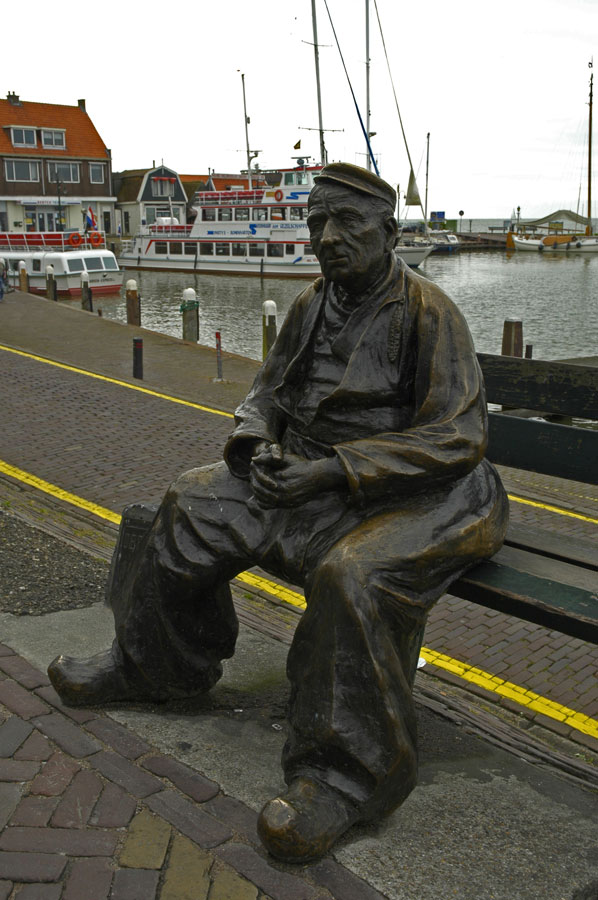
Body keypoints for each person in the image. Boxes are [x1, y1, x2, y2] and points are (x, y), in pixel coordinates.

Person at [48, 163, 509, 863]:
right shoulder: (310, 304)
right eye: (316, 222)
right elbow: (264, 392)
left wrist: (336, 469)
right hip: (314, 479)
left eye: (345, 223)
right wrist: (257, 442)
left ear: (388, 231)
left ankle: (342, 777)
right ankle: (154, 667)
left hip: (426, 493)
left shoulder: (428, 311)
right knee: (190, 501)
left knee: (350, 576)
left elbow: (458, 438)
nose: (327, 237)